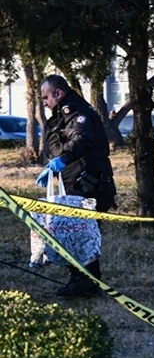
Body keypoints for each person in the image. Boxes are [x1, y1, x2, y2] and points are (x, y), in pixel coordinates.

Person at [36, 75, 116, 297]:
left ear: (58, 93)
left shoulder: (77, 113)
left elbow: (81, 139)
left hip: (89, 184)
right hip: (76, 182)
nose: (44, 102)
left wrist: (63, 159)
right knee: (74, 231)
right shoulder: (63, 115)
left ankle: (87, 283)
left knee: (82, 233)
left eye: (46, 97)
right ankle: (80, 279)